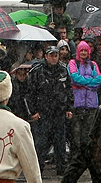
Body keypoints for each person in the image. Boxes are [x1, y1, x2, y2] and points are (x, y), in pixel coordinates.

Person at [26, 45, 72, 175]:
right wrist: (33, 111)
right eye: (51, 55)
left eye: (56, 55)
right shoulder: (37, 71)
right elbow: (30, 93)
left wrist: (69, 107)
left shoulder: (63, 70)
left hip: (59, 111)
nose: (53, 58)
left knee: (60, 143)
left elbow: (68, 90)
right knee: (41, 143)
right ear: (46, 56)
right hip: (43, 112)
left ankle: (61, 169)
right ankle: (38, 170)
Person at [67, 41, 101, 162]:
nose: (83, 53)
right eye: (81, 50)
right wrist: (89, 82)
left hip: (91, 103)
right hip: (77, 103)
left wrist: (83, 84)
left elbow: (98, 80)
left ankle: (87, 156)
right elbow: (73, 78)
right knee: (76, 133)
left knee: (88, 133)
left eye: (85, 50)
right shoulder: (72, 63)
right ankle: (76, 157)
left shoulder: (93, 64)